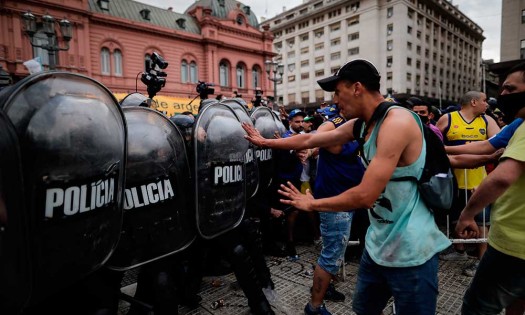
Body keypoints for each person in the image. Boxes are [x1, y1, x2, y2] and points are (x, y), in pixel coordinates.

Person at [243, 59, 451, 314]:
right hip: (377, 246)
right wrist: (265, 143)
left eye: (338, 93)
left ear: (357, 88)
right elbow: (310, 138)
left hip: (411, 250)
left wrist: (312, 203)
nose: (336, 102)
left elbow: (365, 196)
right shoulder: (361, 124)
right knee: (364, 309)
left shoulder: (396, 122)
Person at [455, 62, 525, 315]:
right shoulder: (518, 125)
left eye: (510, 88)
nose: (501, 96)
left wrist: (467, 214)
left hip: (514, 246)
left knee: (477, 307)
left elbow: (500, 179)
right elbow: (484, 148)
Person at [304, 107, 366, 315]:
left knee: (335, 251)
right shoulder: (334, 123)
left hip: (348, 199)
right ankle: (314, 306)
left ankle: (326, 288)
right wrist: (309, 149)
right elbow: (317, 139)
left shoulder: (359, 124)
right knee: (331, 254)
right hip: (334, 201)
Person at [436, 91, 500, 277]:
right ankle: (459, 249)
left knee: (482, 221)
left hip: (479, 179)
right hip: (453, 179)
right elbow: (435, 144)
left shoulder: (487, 121)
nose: (487, 104)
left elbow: (500, 143)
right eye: (484, 101)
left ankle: (481, 261)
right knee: (455, 216)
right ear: (473, 102)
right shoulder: (447, 118)